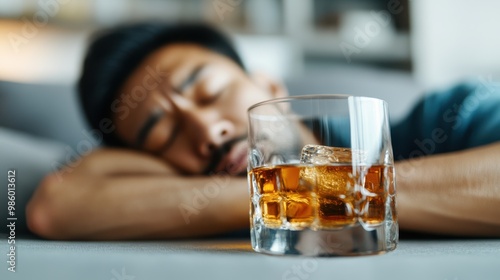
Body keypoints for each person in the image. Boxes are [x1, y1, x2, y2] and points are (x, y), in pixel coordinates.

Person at [25, 23, 500, 240]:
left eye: (209, 92)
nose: (208, 130)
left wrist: (290, 192)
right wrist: (266, 200)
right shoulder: (185, 194)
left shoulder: (450, 117)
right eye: (161, 135)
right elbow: (54, 207)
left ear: (268, 84)